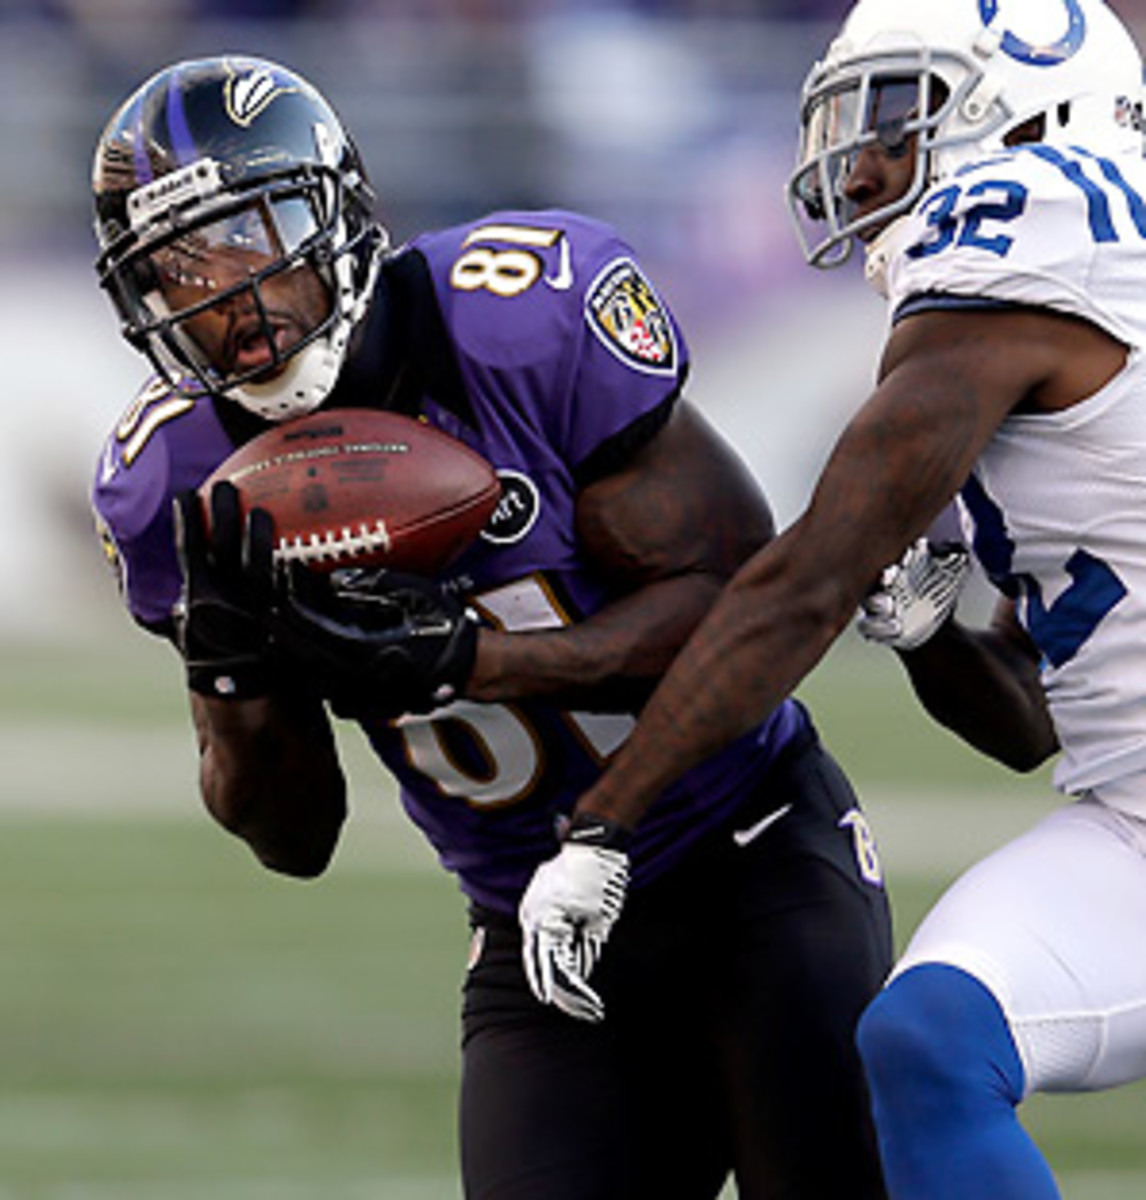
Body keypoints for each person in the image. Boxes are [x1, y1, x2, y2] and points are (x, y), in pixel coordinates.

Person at [89, 55, 892, 1200]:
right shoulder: (178, 474)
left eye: (250, 234)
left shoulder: (517, 318)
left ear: (338, 210)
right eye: (175, 271)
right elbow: (293, 837)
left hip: (750, 862)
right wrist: (226, 670)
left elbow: (742, 596)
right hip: (531, 928)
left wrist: (475, 656)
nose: (227, 298)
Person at [530, 0, 1146, 1195]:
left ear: (1025, 109)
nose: (858, 160)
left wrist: (609, 820)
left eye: (899, 114)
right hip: (1130, 812)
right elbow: (1033, 721)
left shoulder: (1035, 233)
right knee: (926, 1043)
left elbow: (807, 578)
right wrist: (934, 629)